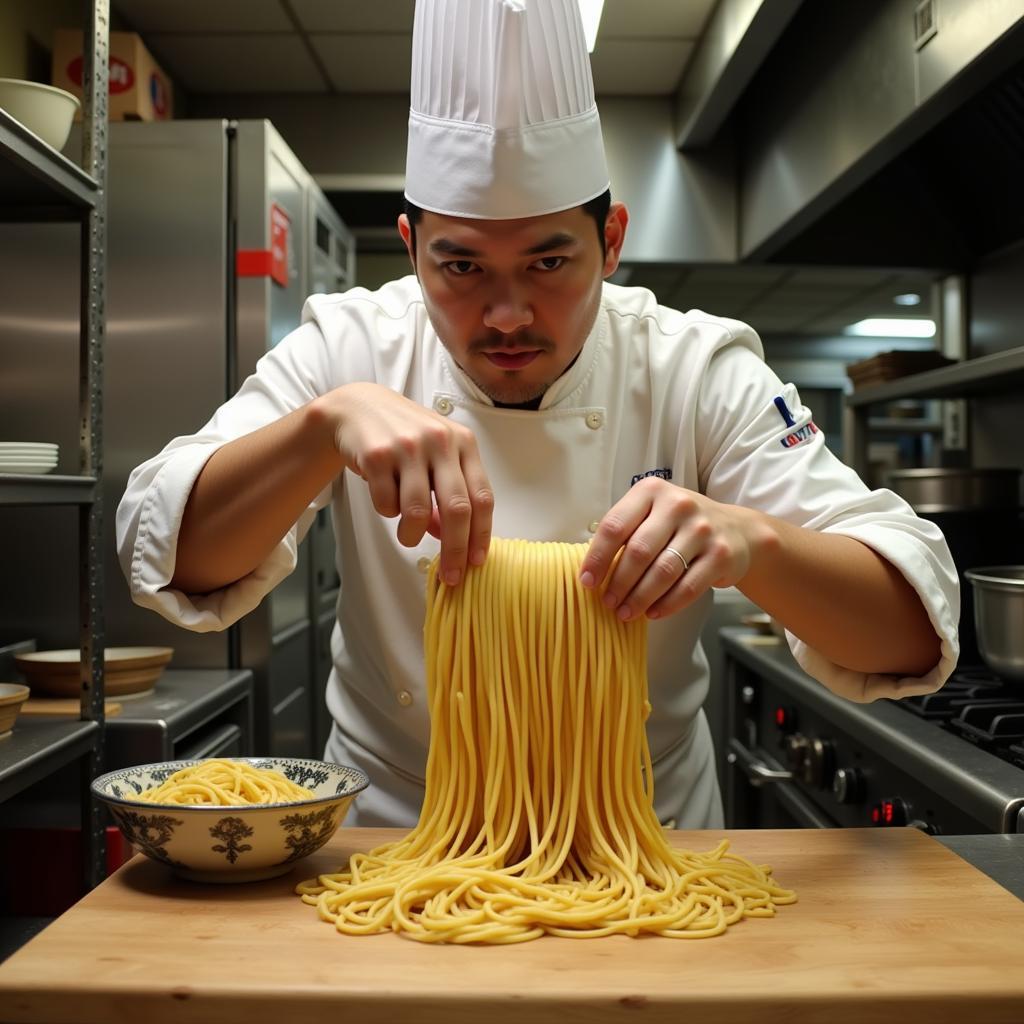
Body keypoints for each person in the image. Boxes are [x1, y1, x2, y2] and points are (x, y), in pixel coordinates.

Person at [117, 0, 959, 829]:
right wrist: (321, 429)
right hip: (399, 830)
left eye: (550, 260)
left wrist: (750, 539)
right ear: (411, 248)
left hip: (641, 836)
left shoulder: (695, 366)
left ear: (613, 241)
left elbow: (909, 632)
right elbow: (167, 552)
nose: (509, 313)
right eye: (461, 267)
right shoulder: (349, 349)